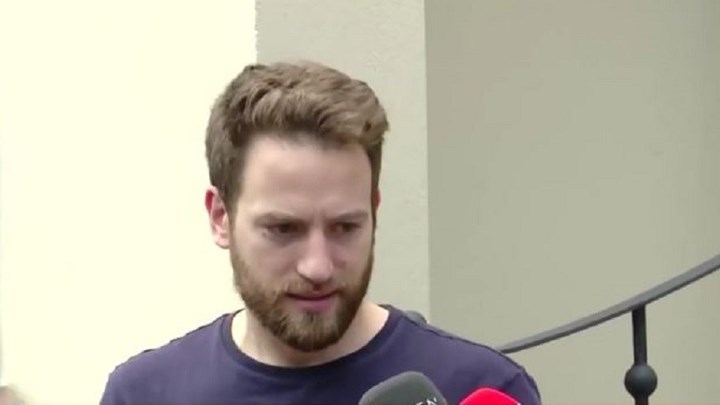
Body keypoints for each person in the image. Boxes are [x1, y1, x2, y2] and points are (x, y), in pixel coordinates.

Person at [100, 61, 541, 405]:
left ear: (374, 212)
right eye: (283, 229)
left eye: (345, 227)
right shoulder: (143, 394)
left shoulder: (479, 386)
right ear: (220, 217)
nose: (318, 267)